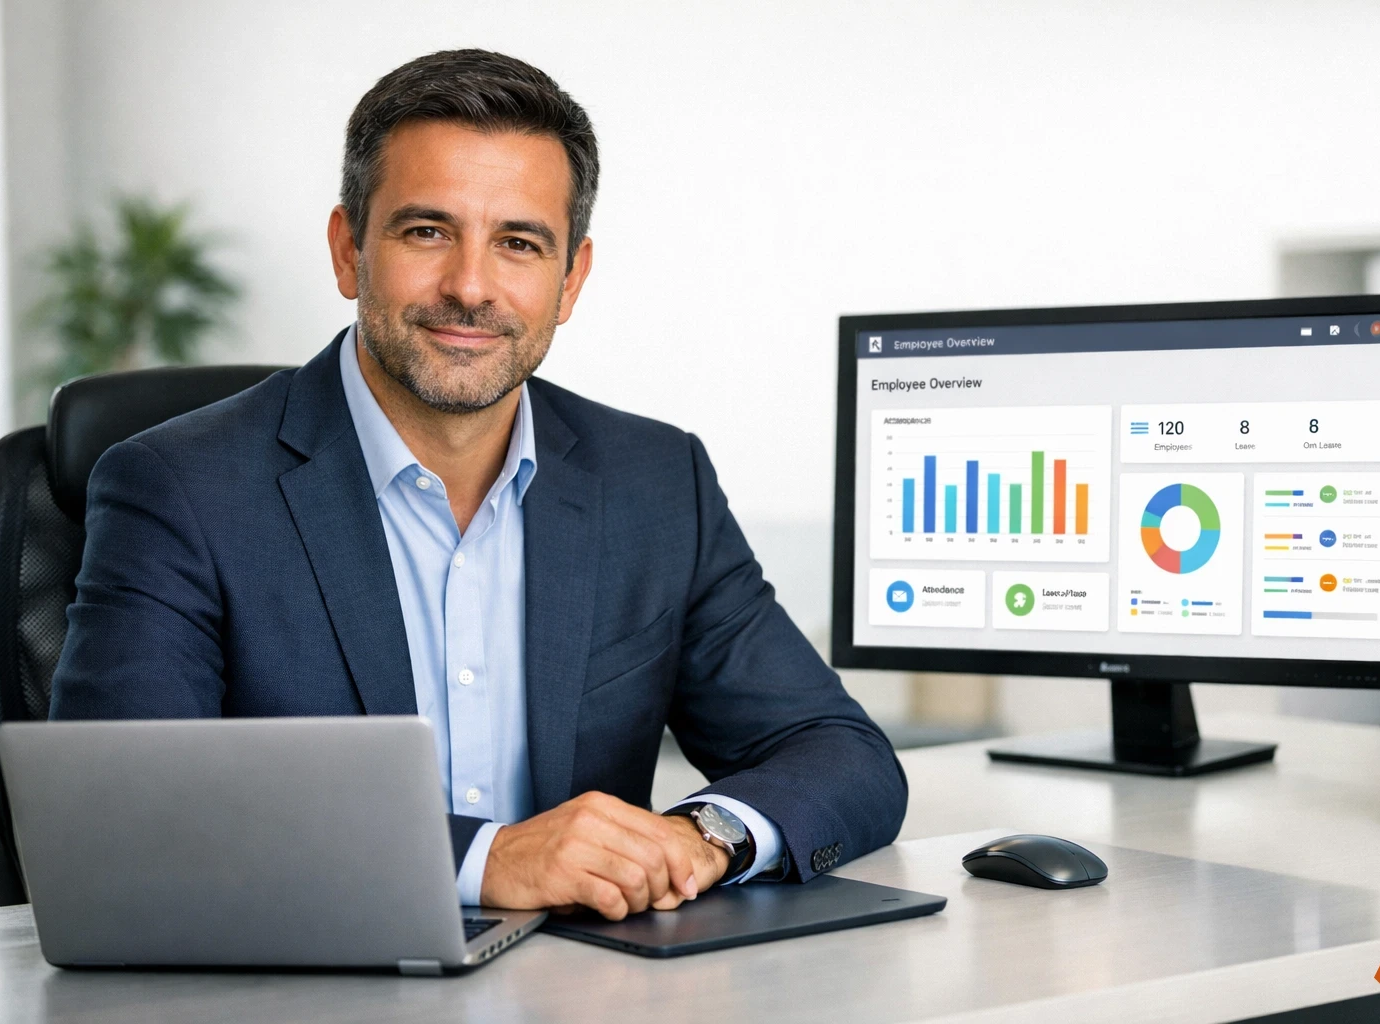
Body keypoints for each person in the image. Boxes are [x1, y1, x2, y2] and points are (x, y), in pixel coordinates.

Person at [48, 49, 906, 920]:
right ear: (349, 251)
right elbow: (121, 821)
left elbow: (840, 753)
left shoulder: (654, 482)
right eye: (426, 231)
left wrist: (699, 837)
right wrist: (480, 860)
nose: (469, 287)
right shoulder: (178, 489)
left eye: (519, 244)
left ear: (570, 279)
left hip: (585, 992)